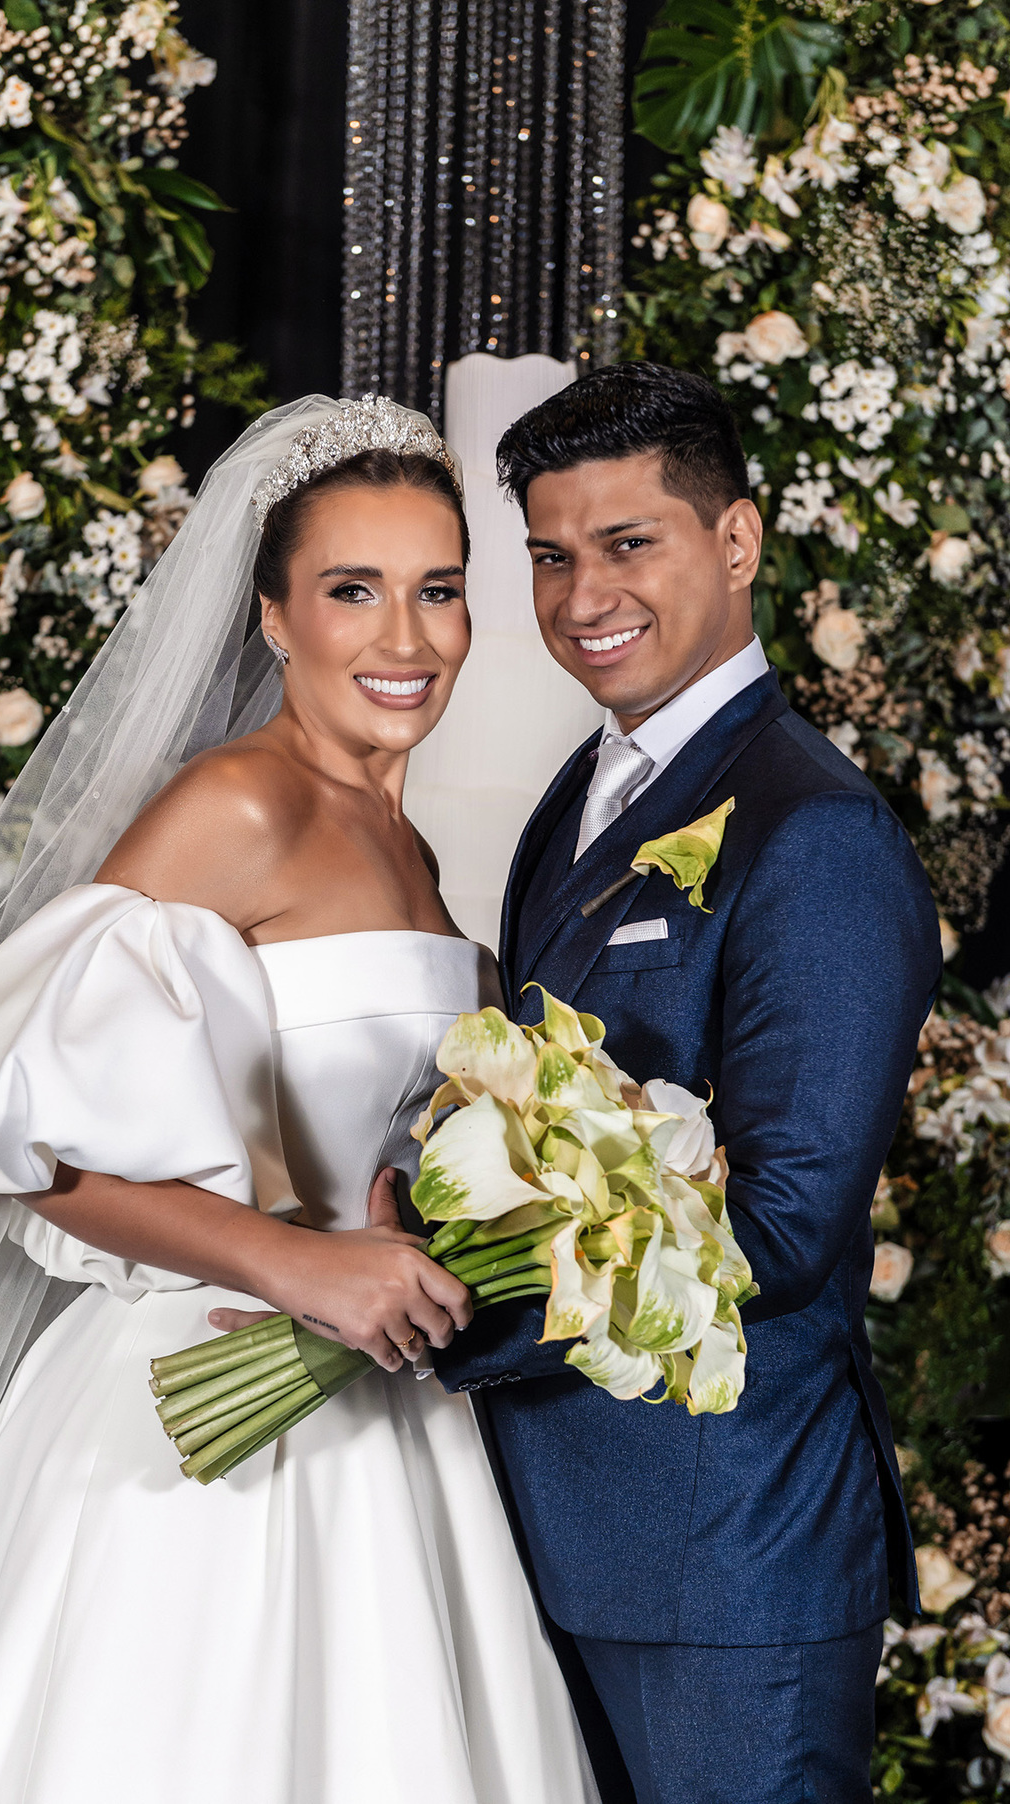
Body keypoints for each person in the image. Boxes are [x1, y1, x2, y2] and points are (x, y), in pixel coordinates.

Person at [0, 398, 594, 1804]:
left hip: (380, 1408)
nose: (406, 639)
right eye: (352, 590)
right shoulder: (238, 808)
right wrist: (293, 1261)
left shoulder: (407, 843)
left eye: (437, 590)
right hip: (200, 1418)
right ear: (275, 617)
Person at [433, 362, 942, 1804]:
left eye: (627, 543)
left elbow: (781, 1229)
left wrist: (436, 1310)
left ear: (737, 540)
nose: (583, 596)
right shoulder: (586, 788)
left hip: (728, 1558)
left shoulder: (814, 830)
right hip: (556, 1537)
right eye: (550, 557)